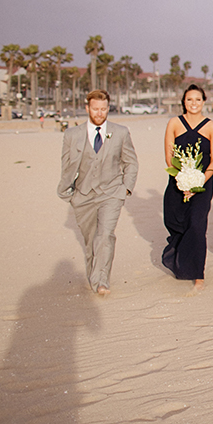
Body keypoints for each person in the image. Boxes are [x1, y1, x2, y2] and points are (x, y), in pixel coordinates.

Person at [57, 90, 139, 295]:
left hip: (111, 193)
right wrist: (70, 196)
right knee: (91, 239)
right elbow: (66, 167)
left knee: (105, 235)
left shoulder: (120, 132)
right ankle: (94, 276)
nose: (100, 113)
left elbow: (131, 162)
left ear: (108, 108)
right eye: (95, 109)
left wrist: (125, 189)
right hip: (83, 196)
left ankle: (102, 281)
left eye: (103, 109)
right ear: (87, 108)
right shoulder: (71, 135)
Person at [162, 84, 213, 290]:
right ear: (183, 102)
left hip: (203, 183)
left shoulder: (212, 126)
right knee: (175, 222)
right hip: (178, 181)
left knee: (197, 224)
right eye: (189, 99)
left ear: (204, 102)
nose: (193, 103)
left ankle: (198, 275)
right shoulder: (174, 123)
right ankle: (181, 262)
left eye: (197, 99)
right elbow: (169, 157)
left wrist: (196, 183)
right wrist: (183, 180)